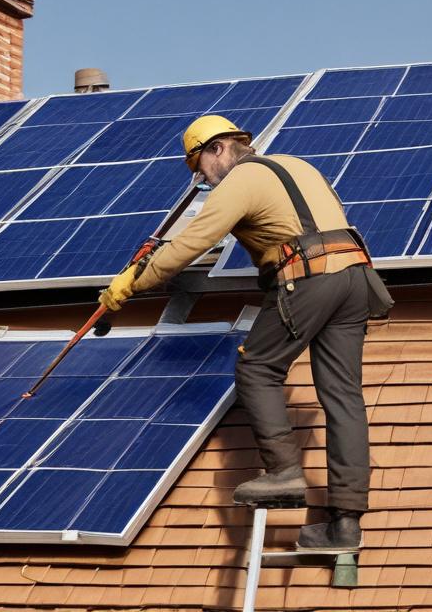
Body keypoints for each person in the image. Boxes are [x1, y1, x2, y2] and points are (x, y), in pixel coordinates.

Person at [99, 114, 375, 551]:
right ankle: (345, 523)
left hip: (307, 277)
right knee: (343, 395)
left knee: (257, 367)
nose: (201, 180)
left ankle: (284, 472)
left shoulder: (240, 181)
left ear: (217, 148)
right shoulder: (299, 165)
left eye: (198, 168)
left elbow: (193, 242)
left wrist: (131, 283)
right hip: (356, 277)